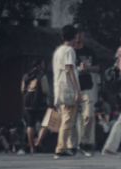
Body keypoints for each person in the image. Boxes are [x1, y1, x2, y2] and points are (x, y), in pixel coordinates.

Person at [52, 24, 81, 159]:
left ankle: (69, 146)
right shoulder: (69, 50)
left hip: (59, 88)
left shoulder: (58, 51)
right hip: (68, 89)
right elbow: (69, 69)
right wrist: (77, 91)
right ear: (75, 36)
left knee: (67, 119)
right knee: (68, 120)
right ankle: (61, 148)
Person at [74, 29, 100, 157]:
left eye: (81, 33)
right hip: (72, 88)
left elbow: (98, 68)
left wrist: (87, 68)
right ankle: (72, 145)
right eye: (76, 34)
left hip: (87, 87)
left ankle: (84, 142)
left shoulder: (89, 51)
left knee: (88, 115)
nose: (79, 36)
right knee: (72, 118)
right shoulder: (69, 51)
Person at [21, 59, 49, 154]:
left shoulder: (26, 76)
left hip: (27, 103)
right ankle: (38, 141)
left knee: (30, 125)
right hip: (39, 103)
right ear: (39, 65)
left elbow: (22, 89)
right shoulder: (42, 75)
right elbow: (45, 90)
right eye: (43, 63)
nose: (44, 65)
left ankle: (32, 147)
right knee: (45, 123)